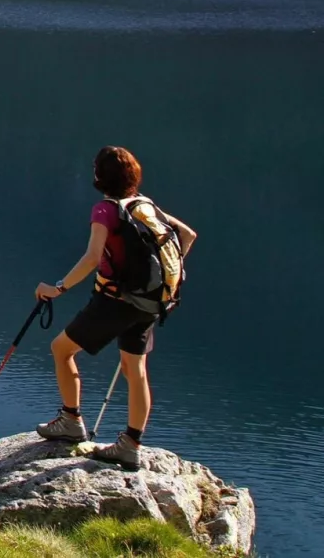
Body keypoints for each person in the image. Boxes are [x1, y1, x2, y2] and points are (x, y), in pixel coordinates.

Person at [32, 146, 197, 468]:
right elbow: (187, 236)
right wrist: (158, 279)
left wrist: (58, 289)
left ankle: (71, 421)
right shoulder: (144, 205)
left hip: (115, 301)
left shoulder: (106, 211)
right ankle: (130, 444)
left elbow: (93, 257)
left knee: (61, 349)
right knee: (135, 371)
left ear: (100, 177)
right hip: (152, 303)